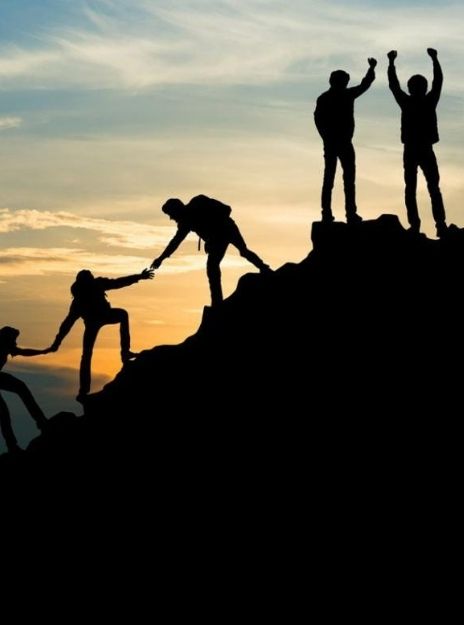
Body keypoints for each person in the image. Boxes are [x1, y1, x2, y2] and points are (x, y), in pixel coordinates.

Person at [48, 268, 154, 401]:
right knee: (87, 354)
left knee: (121, 316)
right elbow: (67, 324)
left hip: (101, 317)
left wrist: (139, 277)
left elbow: (118, 283)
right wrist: (56, 343)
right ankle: (84, 390)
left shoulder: (92, 288)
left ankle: (124, 353)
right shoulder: (81, 298)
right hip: (94, 321)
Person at [151, 195, 271, 307]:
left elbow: (227, 209)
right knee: (212, 266)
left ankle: (265, 269)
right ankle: (217, 302)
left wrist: (214, 234)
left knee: (242, 252)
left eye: (171, 214)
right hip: (216, 240)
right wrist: (161, 258)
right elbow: (175, 242)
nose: (171, 218)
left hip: (228, 229)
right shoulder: (185, 223)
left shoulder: (198, 202)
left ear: (177, 209)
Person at [387, 48, 447, 238]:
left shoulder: (418, 101)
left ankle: (432, 224)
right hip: (416, 149)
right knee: (422, 188)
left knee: (425, 188)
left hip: (419, 149)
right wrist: (434, 60)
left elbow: (395, 86)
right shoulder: (422, 101)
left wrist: (391, 63)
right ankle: (427, 224)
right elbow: (394, 85)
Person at [314, 57, 377, 224]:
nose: (345, 83)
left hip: (342, 143)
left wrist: (371, 69)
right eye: (343, 81)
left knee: (345, 179)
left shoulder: (342, 95)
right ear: (335, 81)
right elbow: (318, 119)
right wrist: (326, 137)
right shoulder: (329, 98)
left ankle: (348, 213)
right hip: (335, 142)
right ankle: (329, 213)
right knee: (333, 179)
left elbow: (365, 84)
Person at [0, 326, 49, 453]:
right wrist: (43, 352)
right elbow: (23, 351)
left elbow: (23, 351)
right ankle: (12, 446)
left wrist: (43, 352)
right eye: (14, 339)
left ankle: (41, 422)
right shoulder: (2, 344)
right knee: (3, 412)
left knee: (21, 388)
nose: (15, 342)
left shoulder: (6, 345)